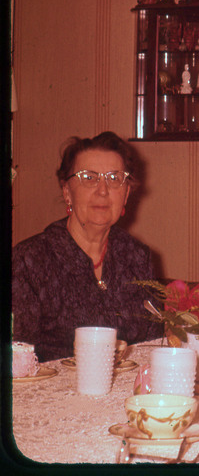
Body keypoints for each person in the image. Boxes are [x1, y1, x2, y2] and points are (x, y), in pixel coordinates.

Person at [12, 132, 162, 361]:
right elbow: (15, 361)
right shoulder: (29, 261)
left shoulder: (137, 256)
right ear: (67, 192)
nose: (103, 190)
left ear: (126, 193)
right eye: (89, 178)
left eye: (114, 179)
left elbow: (154, 345)